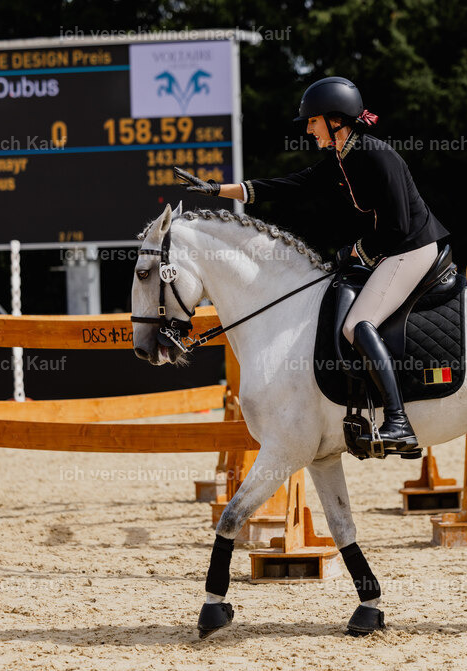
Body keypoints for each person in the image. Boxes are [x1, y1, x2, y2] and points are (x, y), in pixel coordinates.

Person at [174, 76, 449, 453]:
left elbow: (399, 226)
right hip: (394, 248)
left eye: (313, 121)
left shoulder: (376, 155)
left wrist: (357, 251)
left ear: (336, 120)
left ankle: (398, 422)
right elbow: (289, 185)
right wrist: (218, 189)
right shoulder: (344, 158)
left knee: (357, 324)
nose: (308, 129)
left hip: (412, 248)